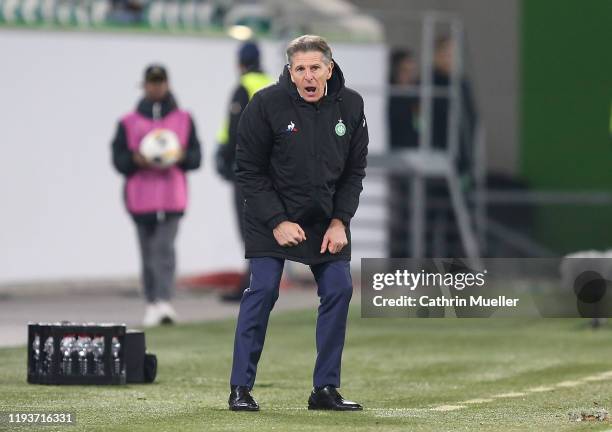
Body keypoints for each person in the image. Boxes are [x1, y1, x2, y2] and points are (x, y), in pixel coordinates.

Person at [228, 35, 368, 412]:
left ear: (329, 68)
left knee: (339, 289)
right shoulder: (266, 104)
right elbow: (249, 171)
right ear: (291, 72)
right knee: (264, 290)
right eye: (300, 69)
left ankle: (325, 390)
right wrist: (276, 221)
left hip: (326, 219)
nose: (308, 76)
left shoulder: (352, 106)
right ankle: (240, 388)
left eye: (315, 68)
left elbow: (354, 172)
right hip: (270, 216)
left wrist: (340, 221)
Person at [111, 64, 202, 327]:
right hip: (140, 198)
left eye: (160, 81)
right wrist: (136, 159)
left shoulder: (183, 118)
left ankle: (164, 300)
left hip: (172, 197)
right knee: (147, 252)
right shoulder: (128, 122)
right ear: (144, 85)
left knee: (164, 248)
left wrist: (182, 156)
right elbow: (118, 160)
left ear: (167, 84)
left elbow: (195, 157)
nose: (156, 86)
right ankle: (152, 301)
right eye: (152, 82)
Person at [215, 41, 273, 302]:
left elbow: (236, 127)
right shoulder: (273, 85)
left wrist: (224, 158)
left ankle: (252, 285)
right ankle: (256, 281)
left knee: (247, 227)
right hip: (272, 171)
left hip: (248, 170)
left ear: (240, 62)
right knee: (263, 227)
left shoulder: (244, 87)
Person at [387, 49, 419, 258]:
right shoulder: (391, 97)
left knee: (410, 212)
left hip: (412, 159)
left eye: (411, 71)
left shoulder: (416, 96)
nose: (408, 76)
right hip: (394, 159)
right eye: (404, 71)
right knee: (396, 212)